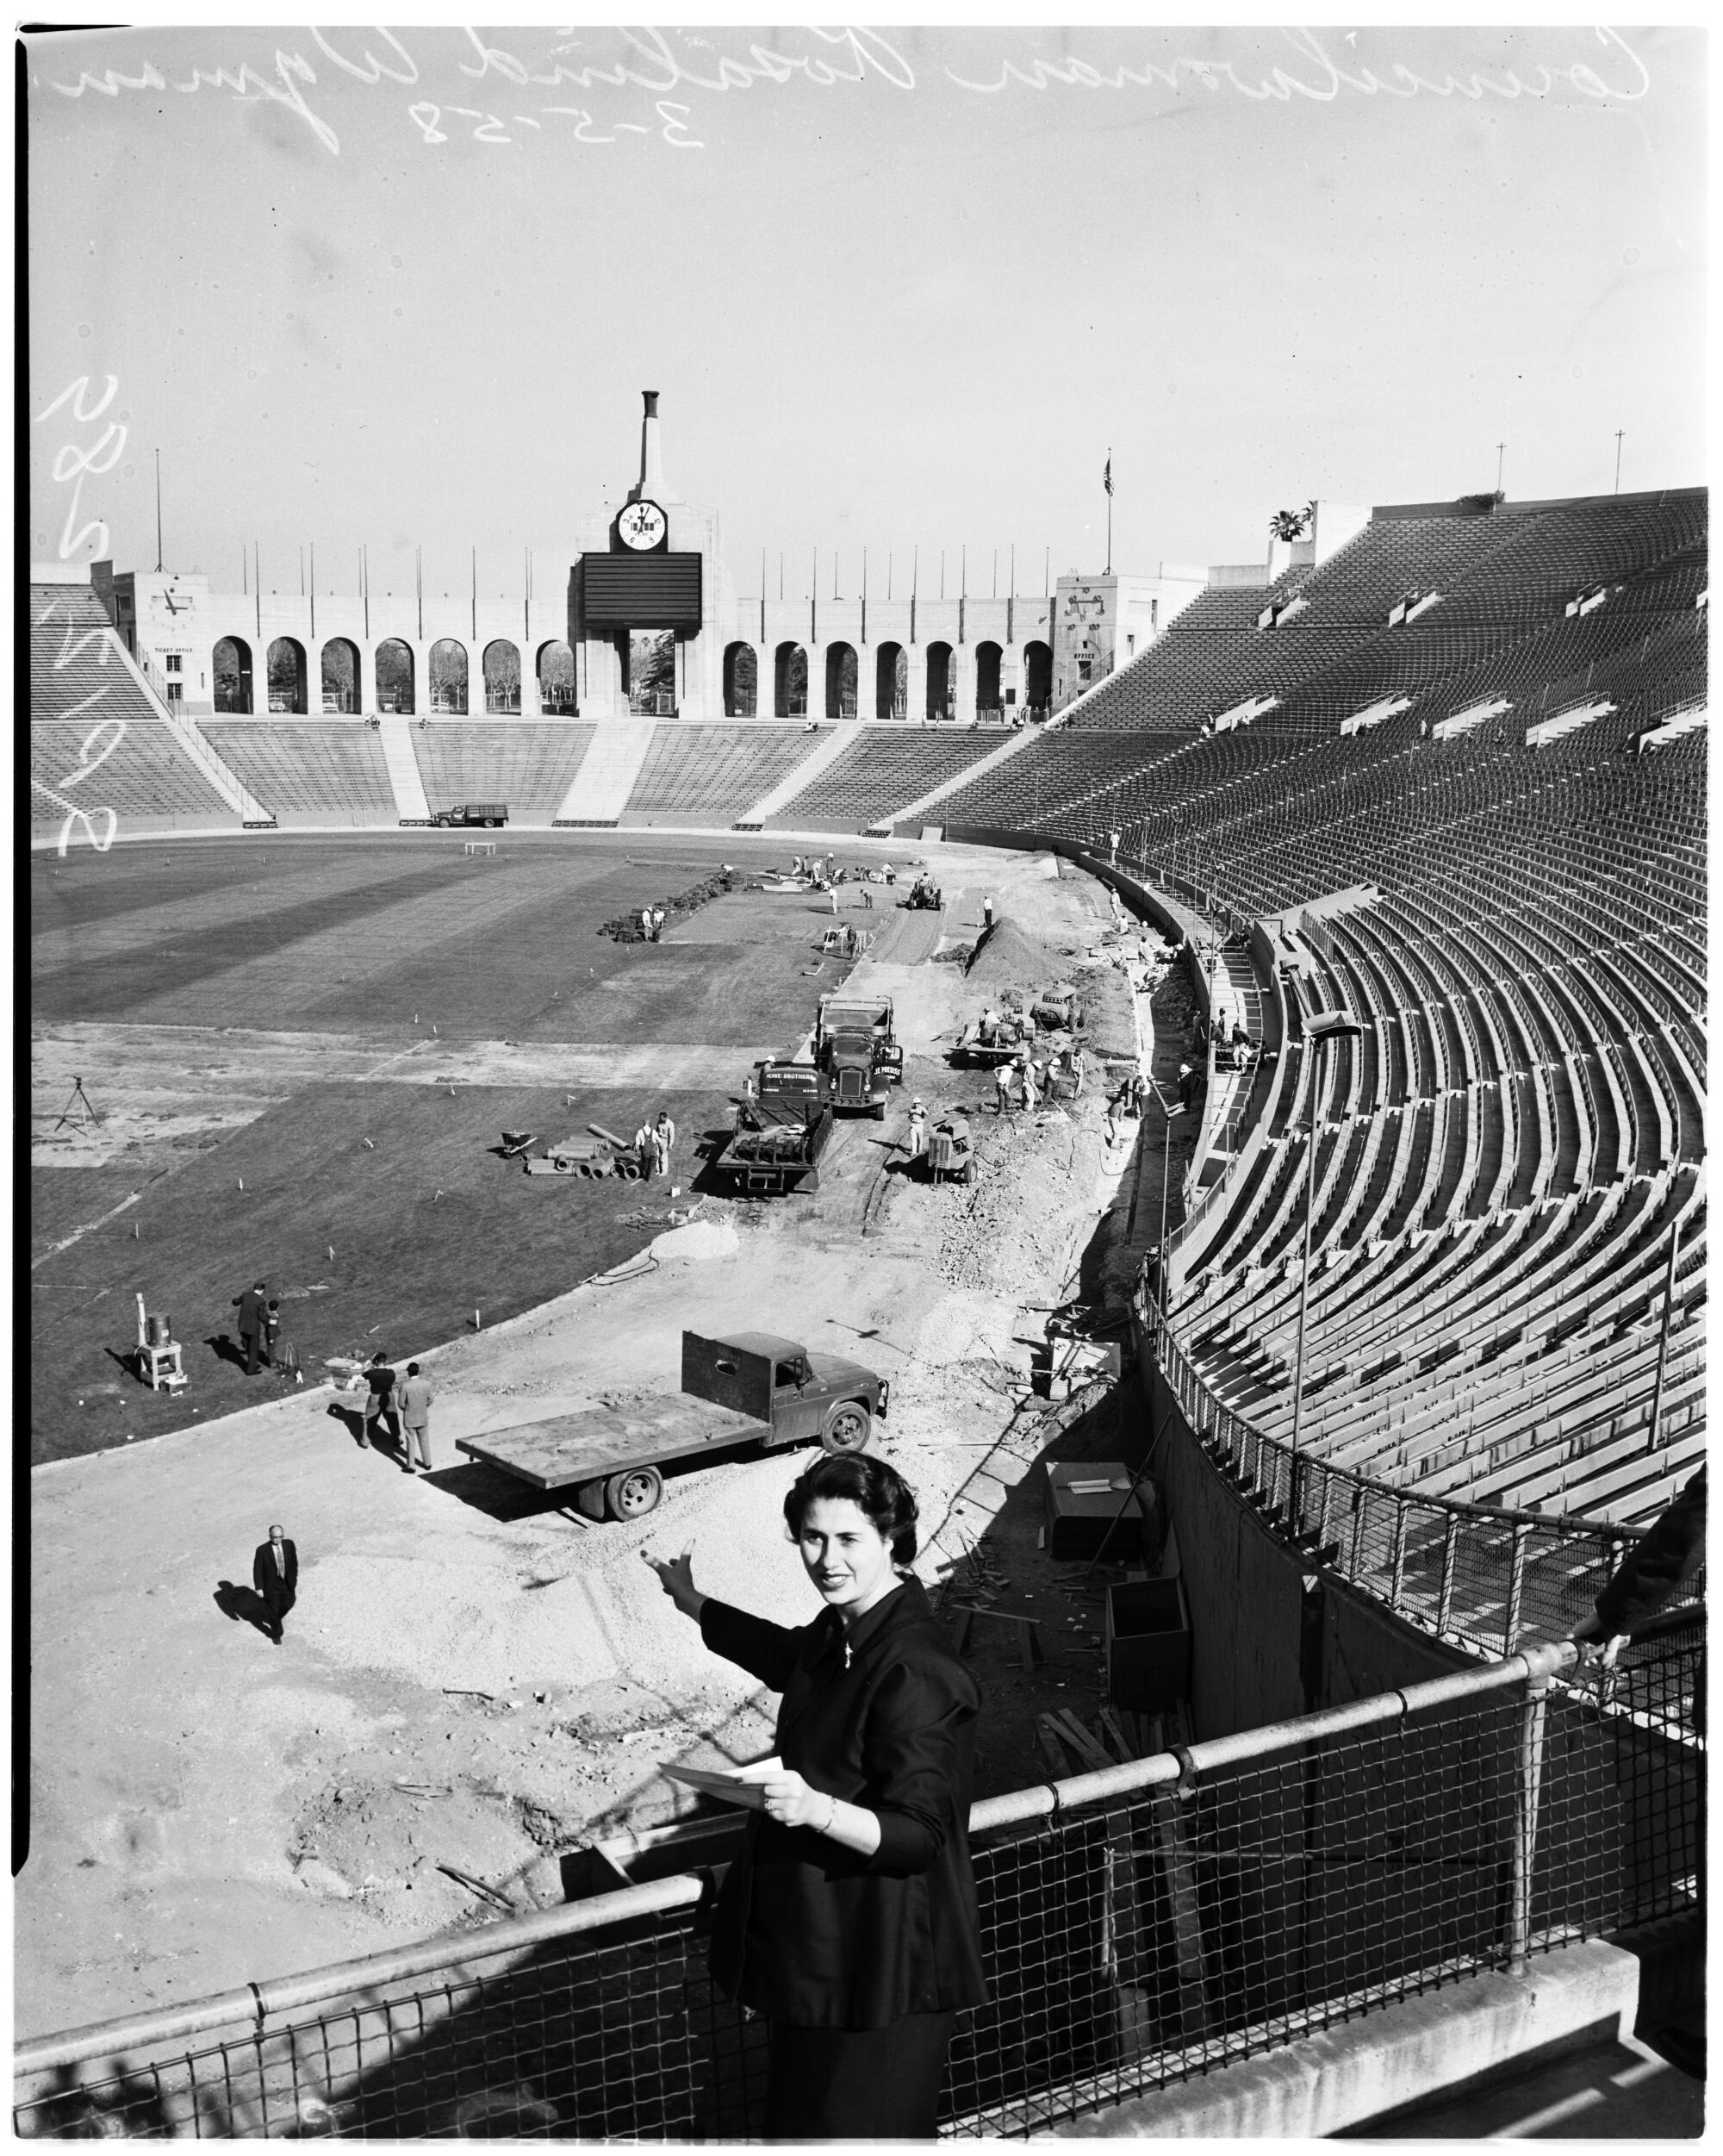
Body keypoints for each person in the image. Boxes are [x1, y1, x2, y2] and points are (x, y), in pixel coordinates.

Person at [644, 1455, 986, 2139]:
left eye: (849, 1540)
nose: (827, 1560)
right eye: (812, 1538)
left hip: (884, 1971)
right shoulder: (848, 1631)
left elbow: (920, 1835)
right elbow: (785, 1655)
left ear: (892, 1540)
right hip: (833, 1959)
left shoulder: (915, 1669)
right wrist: (693, 1601)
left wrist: (814, 1807)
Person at [252, 1524, 298, 1645]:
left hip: (286, 1582)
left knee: (290, 1602)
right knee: (273, 1610)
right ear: (270, 1536)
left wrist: (294, 1578)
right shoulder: (262, 1550)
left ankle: (274, 1617)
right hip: (271, 1585)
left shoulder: (289, 1544)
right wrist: (259, 1588)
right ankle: (277, 1633)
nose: (278, 1539)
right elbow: (257, 1570)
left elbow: (294, 1562)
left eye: (280, 1536)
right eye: (275, 1537)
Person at [398, 1362, 435, 1474]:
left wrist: (408, 1409)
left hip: (410, 1418)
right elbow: (431, 1399)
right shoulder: (426, 1384)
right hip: (422, 1416)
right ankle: (427, 1463)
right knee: (424, 1440)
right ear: (418, 1371)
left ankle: (411, 1466)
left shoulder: (405, 1386)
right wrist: (424, 1406)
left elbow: (401, 1404)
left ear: (408, 1373)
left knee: (410, 1442)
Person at [360, 1351, 399, 1449]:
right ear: (385, 1361)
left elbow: (363, 1374)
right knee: (392, 1419)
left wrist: (370, 1366)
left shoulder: (372, 1373)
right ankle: (396, 1439)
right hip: (389, 1397)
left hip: (375, 1398)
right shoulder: (391, 1373)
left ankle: (365, 1441)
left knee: (369, 1419)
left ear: (376, 1361)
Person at [233, 1278, 268, 1374]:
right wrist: (268, 1323)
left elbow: (236, 1301)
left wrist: (235, 1302)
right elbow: (262, 1316)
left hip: (242, 1326)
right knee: (253, 1349)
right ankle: (251, 1370)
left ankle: (252, 1364)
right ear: (261, 1290)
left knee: (248, 1347)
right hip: (253, 1328)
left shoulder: (245, 1295)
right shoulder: (260, 1301)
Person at [652, 1109, 676, 1180]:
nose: (660, 1119)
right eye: (660, 1118)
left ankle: (664, 1172)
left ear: (665, 1117)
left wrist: (670, 1145)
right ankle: (657, 1170)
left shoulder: (670, 1124)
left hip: (665, 1141)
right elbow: (657, 1130)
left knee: (663, 1157)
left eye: (661, 1118)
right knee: (656, 1155)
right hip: (658, 1140)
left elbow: (672, 1135)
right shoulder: (659, 1122)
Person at [905, 1099, 929, 1167]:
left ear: (920, 1103)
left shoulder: (921, 1108)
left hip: (919, 1125)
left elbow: (927, 1114)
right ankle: (913, 1152)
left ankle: (920, 1150)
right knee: (913, 1139)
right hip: (913, 1125)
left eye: (917, 1103)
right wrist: (910, 1123)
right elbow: (909, 1117)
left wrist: (924, 1109)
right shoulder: (911, 1109)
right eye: (915, 1103)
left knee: (920, 1138)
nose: (916, 1104)